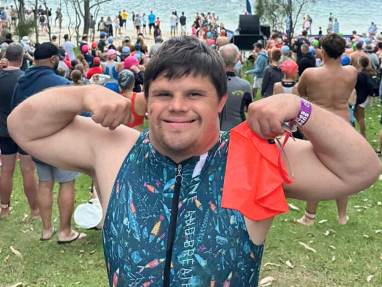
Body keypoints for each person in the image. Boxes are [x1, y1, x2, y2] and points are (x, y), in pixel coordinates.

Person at [7, 35, 381, 287]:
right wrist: (84, 94)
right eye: (164, 93)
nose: (178, 106)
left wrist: (301, 110)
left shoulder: (251, 156)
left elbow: (361, 170)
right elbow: (23, 127)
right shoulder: (114, 148)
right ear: (147, 100)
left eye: (194, 93)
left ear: (221, 100)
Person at [11, 42, 85, 243]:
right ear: (53, 59)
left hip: (36, 144)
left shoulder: (22, 82)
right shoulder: (61, 83)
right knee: (66, 183)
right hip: (62, 144)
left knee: (45, 184)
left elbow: (15, 111)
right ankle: (65, 232)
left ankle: (46, 230)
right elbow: (83, 111)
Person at [297, 33, 358, 226]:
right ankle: (342, 216)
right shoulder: (351, 72)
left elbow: (301, 92)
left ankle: (309, 216)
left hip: (318, 123)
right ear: (342, 52)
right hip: (342, 121)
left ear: (322, 51)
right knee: (343, 170)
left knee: (315, 169)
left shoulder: (310, 74)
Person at [0, 43, 39, 219]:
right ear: (22, 58)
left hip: (4, 130)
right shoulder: (24, 79)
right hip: (23, 130)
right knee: (28, 170)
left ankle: (5, 209)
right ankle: (34, 210)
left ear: (6, 57)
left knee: (6, 170)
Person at [218, 44, 253, 131]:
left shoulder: (210, 83)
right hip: (238, 130)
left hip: (214, 131)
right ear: (237, 60)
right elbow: (249, 109)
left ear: (219, 59)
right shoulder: (245, 85)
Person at [354, 56, 377, 139]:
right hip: (369, 96)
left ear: (360, 63)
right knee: (355, 113)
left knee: (361, 117)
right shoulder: (371, 72)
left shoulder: (360, 74)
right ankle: (361, 130)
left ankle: (363, 135)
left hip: (362, 97)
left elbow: (356, 86)